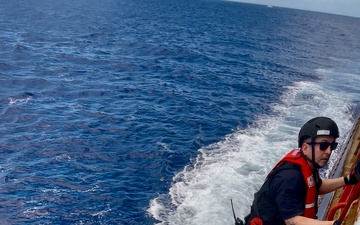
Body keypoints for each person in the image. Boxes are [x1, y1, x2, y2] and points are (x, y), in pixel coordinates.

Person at [240, 116, 360, 225]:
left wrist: (350, 179)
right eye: (323, 145)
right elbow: (293, 220)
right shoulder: (289, 178)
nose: (329, 151)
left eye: (332, 146)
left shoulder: (307, 166)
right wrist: (334, 224)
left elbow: (318, 186)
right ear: (305, 148)